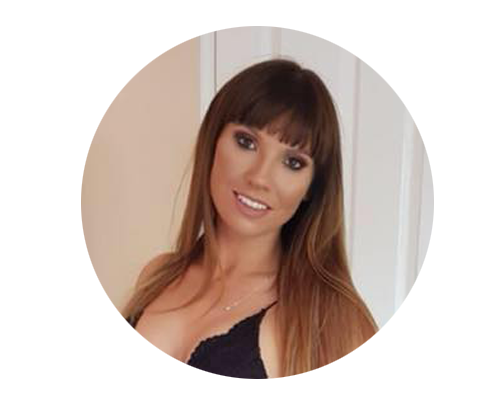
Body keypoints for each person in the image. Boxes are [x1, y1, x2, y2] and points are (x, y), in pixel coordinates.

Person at [108, 58, 388, 379]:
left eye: (293, 162)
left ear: (312, 187)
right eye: (246, 142)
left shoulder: (331, 324)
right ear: (213, 141)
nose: (259, 177)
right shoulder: (157, 275)